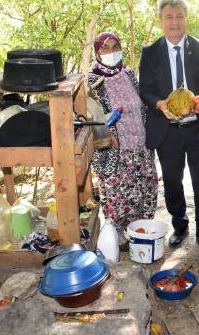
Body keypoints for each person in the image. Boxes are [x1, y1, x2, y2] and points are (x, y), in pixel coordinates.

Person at [138, 0, 199, 256]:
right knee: (172, 181)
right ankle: (179, 224)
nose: (174, 22)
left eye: (179, 16)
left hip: (197, 128)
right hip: (167, 130)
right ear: (161, 21)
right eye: (169, 17)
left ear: (186, 19)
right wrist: (158, 103)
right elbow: (146, 89)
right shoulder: (150, 52)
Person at [87, 32, 158, 242]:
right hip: (115, 150)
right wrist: (106, 132)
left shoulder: (128, 73)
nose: (111, 52)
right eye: (105, 48)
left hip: (141, 146)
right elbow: (89, 114)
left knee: (144, 189)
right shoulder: (92, 81)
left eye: (115, 46)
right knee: (118, 194)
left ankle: (142, 233)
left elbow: (142, 104)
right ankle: (117, 238)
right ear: (97, 52)